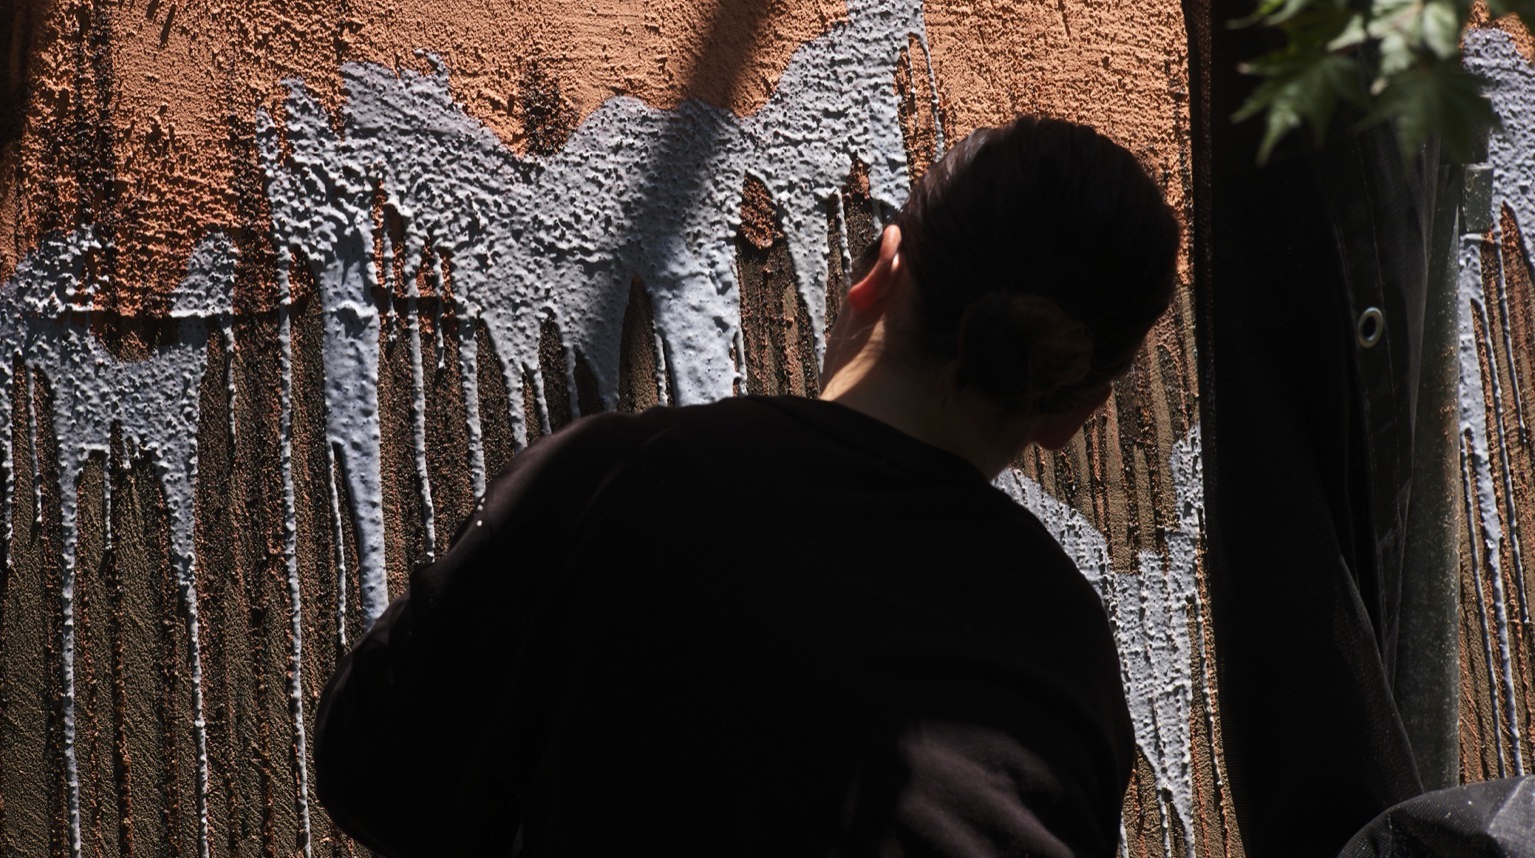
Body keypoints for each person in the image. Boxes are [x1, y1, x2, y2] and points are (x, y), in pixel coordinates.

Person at [313, 115, 1181, 857]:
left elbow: (371, 769)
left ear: (880, 272)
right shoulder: (1072, 651)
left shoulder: (619, 480)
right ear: (1075, 412)